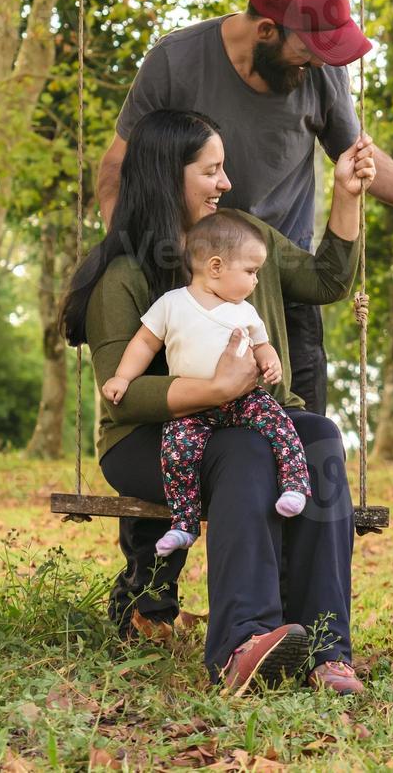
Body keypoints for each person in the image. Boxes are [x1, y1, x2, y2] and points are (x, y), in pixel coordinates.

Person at [98, 0, 393, 416]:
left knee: (303, 432)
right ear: (266, 30)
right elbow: (116, 167)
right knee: (195, 432)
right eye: (307, 51)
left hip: (286, 281)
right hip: (190, 279)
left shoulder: (323, 69)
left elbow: (357, 156)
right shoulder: (175, 61)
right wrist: (128, 250)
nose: (316, 65)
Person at [62, 108, 375, 696]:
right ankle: (241, 643)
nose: (225, 183)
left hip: (243, 421)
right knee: (243, 451)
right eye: (212, 170)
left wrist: (349, 196)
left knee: (321, 437)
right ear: (167, 175)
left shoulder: (240, 241)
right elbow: (123, 397)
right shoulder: (125, 274)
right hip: (146, 442)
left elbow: (329, 281)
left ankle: (327, 647)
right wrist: (217, 389)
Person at [101, 211, 312, 557]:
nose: (256, 281)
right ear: (216, 267)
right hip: (193, 407)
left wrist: (270, 360)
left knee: (280, 425)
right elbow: (143, 343)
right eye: (250, 271)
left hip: (243, 400)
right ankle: (184, 524)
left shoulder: (244, 310)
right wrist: (123, 377)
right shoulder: (171, 305)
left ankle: (294, 485)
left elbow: (261, 345)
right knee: (177, 453)